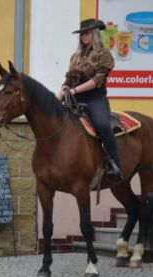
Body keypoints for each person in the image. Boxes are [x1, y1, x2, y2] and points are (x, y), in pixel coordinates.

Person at [58, 18, 122, 181]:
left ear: (94, 33)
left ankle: (115, 163)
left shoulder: (104, 54)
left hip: (95, 98)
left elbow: (97, 80)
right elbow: (68, 80)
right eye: (81, 34)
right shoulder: (75, 56)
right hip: (74, 98)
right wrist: (60, 94)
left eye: (87, 33)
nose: (84, 36)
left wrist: (73, 90)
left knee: (101, 124)